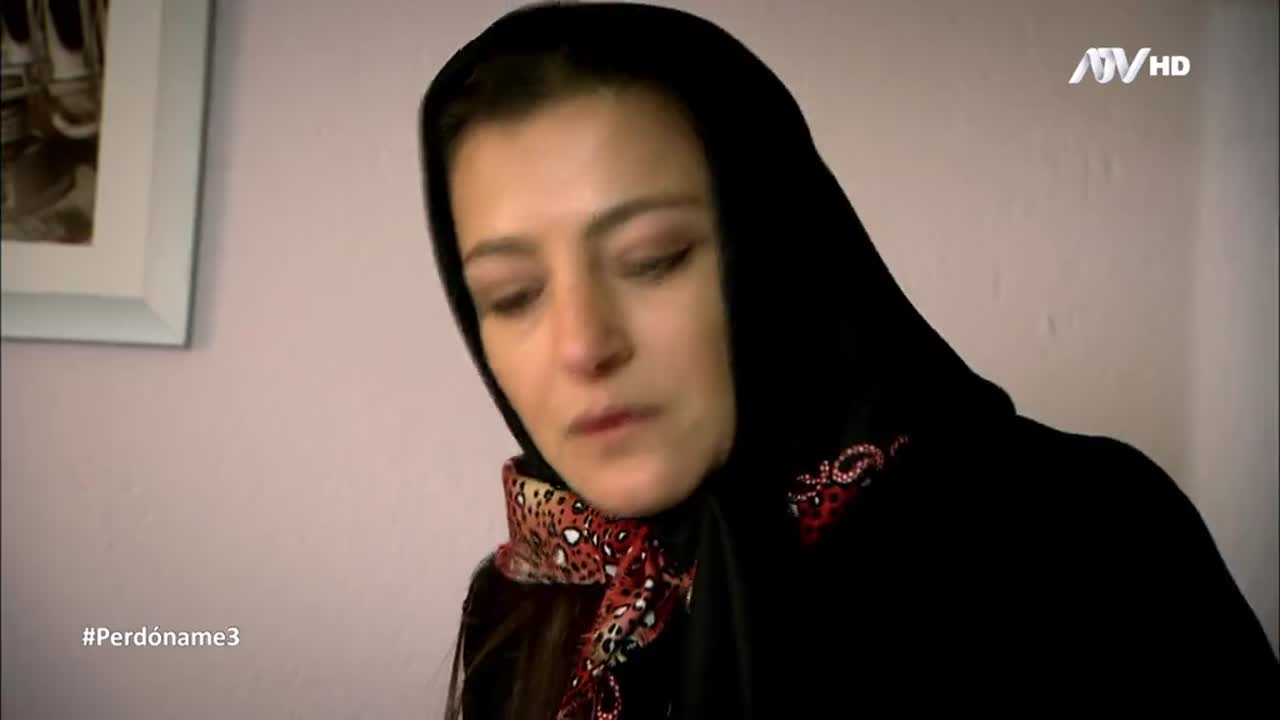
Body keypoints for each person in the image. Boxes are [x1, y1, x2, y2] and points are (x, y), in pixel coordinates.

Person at [417, 2, 1277, 718]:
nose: (582, 345)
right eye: (512, 295)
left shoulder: (1081, 537)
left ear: (775, 249)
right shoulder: (529, 600)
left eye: (653, 259)